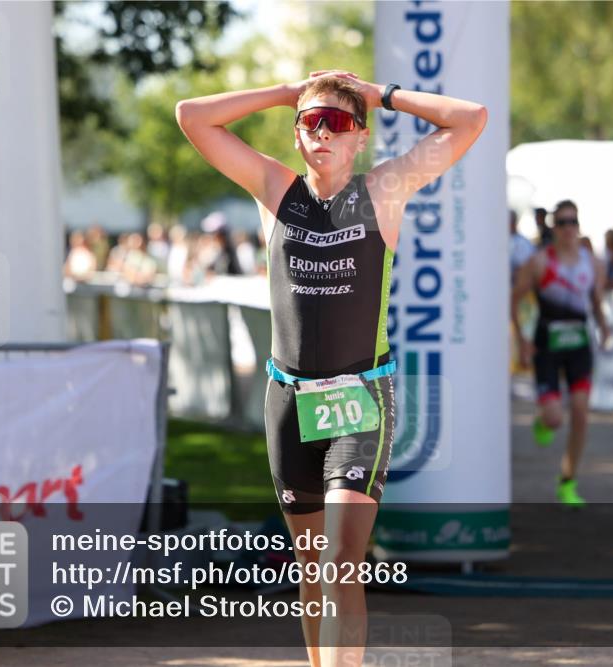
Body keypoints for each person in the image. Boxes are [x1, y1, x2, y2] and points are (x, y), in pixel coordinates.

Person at [176, 70, 486, 666]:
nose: (323, 132)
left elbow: (470, 118)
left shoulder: (384, 190)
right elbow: (192, 115)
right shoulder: (274, 187)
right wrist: (286, 92)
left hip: (360, 400)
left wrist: (381, 95)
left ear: (360, 137)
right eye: (311, 122)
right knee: (312, 564)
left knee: (342, 559)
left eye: (338, 123)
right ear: (296, 135)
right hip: (287, 399)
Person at [516, 200, 610, 507]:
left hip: (579, 344)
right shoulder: (540, 261)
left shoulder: (591, 263)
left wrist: (605, 327)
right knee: (556, 419)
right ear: (554, 228)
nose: (569, 228)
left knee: (581, 412)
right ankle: (545, 421)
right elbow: (514, 299)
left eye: (574, 222)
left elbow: (596, 301)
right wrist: (522, 340)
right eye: (564, 223)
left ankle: (568, 480)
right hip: (547, 344)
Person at [510, 210, 536, 371]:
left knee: (523, 333)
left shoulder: (521, 244)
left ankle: (524, 362)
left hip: (521, 299)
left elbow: (524, 271)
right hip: (514, 298)